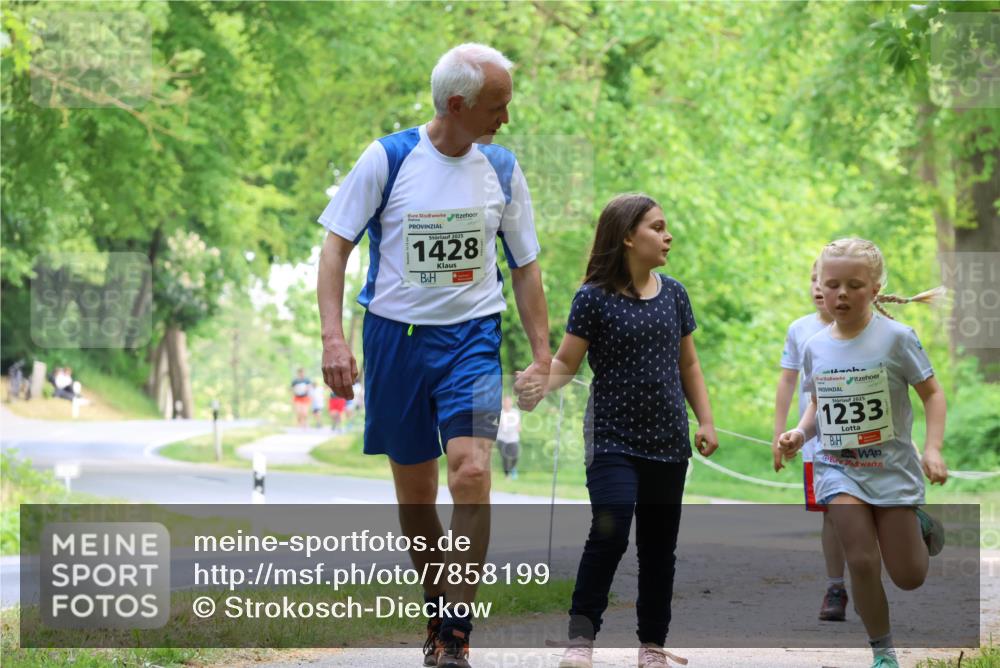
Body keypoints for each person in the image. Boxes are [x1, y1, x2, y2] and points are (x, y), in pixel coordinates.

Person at [316, 43, 550, 668]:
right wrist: (333, 338)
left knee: (472, 472)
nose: (506, 117)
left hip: (472, 339)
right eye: (497, 105)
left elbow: (525, 268)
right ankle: (437, 604)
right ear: (456, 104)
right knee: (416, 498)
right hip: (395, 341)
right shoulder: (388, 158)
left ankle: (455, 631)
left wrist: (541, 354)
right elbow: (335, 248)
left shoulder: (501, 168)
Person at [516, 194, 719, 668]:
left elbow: (689, 363)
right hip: (612, 439)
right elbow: (567, 361)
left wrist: (705, 419)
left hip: (668, 442)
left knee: (658, 547)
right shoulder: (593, 297)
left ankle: (652, 646)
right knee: (609, 532)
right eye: (657, 227)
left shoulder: (675, 294)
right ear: (629, 236)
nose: (668, 236)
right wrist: (541, 384)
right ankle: (580, 641)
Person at [779, 238, 947, 668]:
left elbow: (933, 394)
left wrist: (931, 449)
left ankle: (919, 522)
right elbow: (818, 401)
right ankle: (883, 651)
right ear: (819, 285)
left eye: (854, 285)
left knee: (909, 576)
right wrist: (799, 433)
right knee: (861, 559)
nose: (841, 294)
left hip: (891, 469)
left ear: (874, 289)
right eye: (831, 284)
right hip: (839, 469)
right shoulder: (815, 344)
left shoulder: (896, 338)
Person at [771, 260, 848, 621]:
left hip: (865, 445)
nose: (818, 288)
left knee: (872, 513)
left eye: (826, 281)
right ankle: (836, 587)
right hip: (817, 443)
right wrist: (782, 434)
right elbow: (788, 381)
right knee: (831, 515)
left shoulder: (875, 331)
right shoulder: (801, 331)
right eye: (813, 279)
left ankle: (910, 522)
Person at [495, 395, 521, 478]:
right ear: (503, 403)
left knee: (515, 456)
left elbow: (518, 424)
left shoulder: (515, 412)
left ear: (511, 403)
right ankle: (507, 475)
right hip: (501, 438)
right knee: (505, 456)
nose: (507, 404)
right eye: (505, 402)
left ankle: (512, 468)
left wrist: (519, 427)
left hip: (513, 438)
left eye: (509, 402)